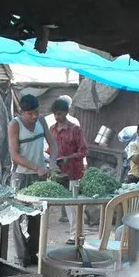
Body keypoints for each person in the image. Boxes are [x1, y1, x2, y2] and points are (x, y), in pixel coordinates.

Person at [8, 94, 57, 266]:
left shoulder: (41, 121)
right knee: (18, 216)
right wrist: (36, 167)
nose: (34, 116)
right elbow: (14, 156)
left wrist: (52, 163)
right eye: (30, 113)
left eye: (36, 112)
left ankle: (32, 253)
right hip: (21, 176)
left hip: (40, 176)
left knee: (38, 216)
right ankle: (21, 257)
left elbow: (53, 144)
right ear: (22, 112)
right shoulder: (15, 125)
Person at [49, 96, 88, 245]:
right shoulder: (52, 130)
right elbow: (50, 149)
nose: (57, 117)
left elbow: (83, 151)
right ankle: (74, 233)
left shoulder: (74, 129)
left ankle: (75, 235)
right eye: (55, 114)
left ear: (66, 112)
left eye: (60, 114)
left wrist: (68, 157)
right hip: (59, 173)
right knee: (66, 203)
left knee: (74, 206)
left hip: (74, 172)